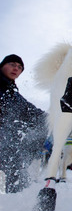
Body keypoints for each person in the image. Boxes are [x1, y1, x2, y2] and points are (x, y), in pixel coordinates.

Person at [0, 54, 47, 193]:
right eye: (12, 64)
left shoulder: (12, 92)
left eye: (20, 67)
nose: (16, 68)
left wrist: (56, 118)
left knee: (16, 164)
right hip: (4, 141)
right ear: (3, 65)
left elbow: (31, 111)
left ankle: (16, 200)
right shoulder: (5, 91)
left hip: (9, 145)